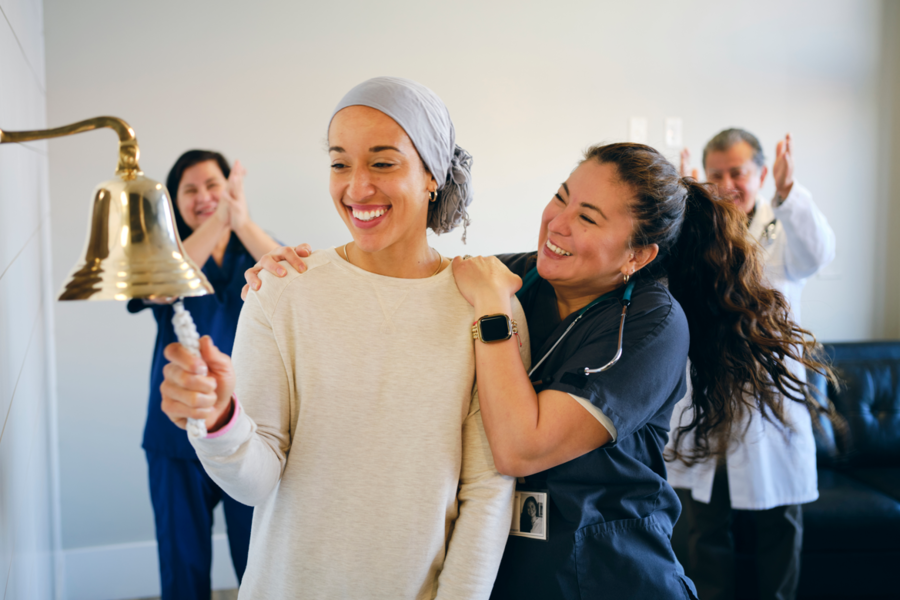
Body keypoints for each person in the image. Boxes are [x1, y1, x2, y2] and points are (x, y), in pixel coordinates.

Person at [247, 142, 829, 599]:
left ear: (637, 256)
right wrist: (292, 270)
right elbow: (404, 279)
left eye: (589, 217)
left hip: (608, 574)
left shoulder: (653, 324)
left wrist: (495, 313)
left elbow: (520, 447)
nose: (558, 222)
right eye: (561, 195)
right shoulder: (521, 275)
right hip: (513, 569)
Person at [158, 77, 527, 599]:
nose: (356, 188)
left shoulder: (484, 304)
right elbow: (255, 481)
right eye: (339, 163)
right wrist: (219, 421)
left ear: (432, 175)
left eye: (382, 163)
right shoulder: (282, 290)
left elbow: (486, 492)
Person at [669, 129, 836, 600]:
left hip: (769, 406)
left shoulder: (784, 230)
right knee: (704, 530)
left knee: (778, 530)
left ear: (760, 173)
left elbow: (821, 252)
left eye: (737, 172)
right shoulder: (696, 232)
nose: (727, 184)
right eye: (715, 175)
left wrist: (788, 193)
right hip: (708, 401)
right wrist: (684, 202)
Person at [127, 150, 280, 599]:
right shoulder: (166, 256)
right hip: (175, 434)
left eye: (213, 185)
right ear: (175, 202)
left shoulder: (252, 248)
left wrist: (240, 220)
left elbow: (299, 280)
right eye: (190, 190)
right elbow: (157, 286)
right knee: (182, 567)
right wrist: (220, 219)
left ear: (231, 190)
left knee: (257, 564)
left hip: (244, 433)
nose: (204, 196)